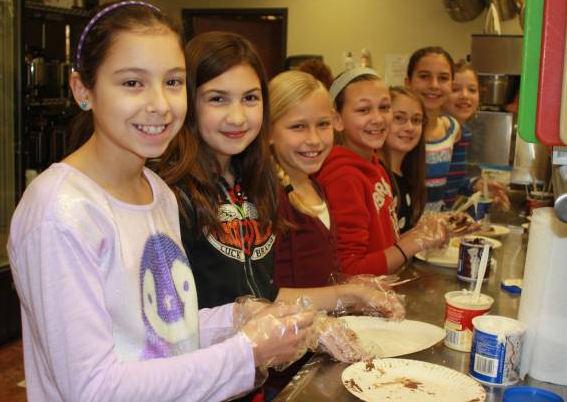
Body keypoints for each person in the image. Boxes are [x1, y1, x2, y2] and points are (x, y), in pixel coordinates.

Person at [7, 1, 315, 402]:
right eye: (132, 83)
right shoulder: (61, 211)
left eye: (172, 82)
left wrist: (237, 317)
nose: (160, 105)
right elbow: (93, 389)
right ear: (83, 90)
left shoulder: (157, 192)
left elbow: (161, 334)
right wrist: (245, 352)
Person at [159, 32, 404, 315]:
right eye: (217, 99)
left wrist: (350, 294)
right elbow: (174, 319)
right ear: (188, 101)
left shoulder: (253, 183)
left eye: (250, 98)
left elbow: (265, 295)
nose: (237, 117)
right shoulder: (171, 192)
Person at [317, 68, 449, 276]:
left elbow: (385, 245)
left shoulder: (375, 167)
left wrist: (424, 232)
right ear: (337, 120)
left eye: (384, 107)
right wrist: (416, 241)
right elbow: (349, 271)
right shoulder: (343, 177)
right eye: (363, 110)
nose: (378, 118)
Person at [269, 70, 339, 288]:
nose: (314, 139)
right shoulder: (272, 198)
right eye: (298, 126)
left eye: (323, 124)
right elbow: (269, 293)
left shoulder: (315, 186)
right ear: (268, 132)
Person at [443, 60, 510, 209]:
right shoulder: (435, 136)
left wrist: (475, 185)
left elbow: (449, 182)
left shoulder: (463, 133)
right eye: (455, 89)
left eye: (472, 90)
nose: (465, 96)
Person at [405, 46, 460, 212]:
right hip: (404, 232)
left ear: (451, 85)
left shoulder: (452, 128)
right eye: (424, 76)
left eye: (443, 78)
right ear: (408, 82)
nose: (434, 85)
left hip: (436, 230)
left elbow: (455, 182)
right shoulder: (398, 133)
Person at [379, 86, 427, 233]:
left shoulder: (408, 174)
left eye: (416, 120)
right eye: (399, 118)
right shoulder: (377, 178)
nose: (409, 127)